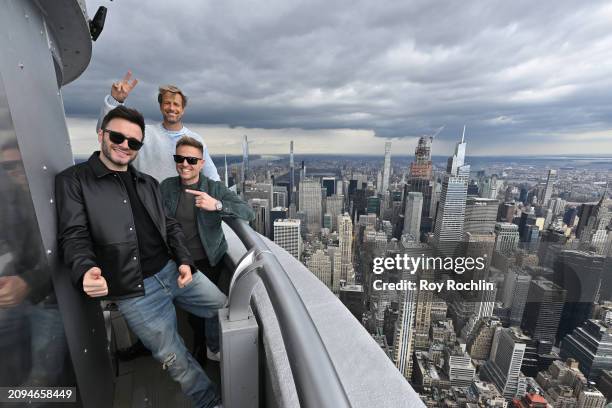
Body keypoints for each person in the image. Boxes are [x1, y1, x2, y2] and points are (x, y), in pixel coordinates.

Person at [56, 106, 224, 408]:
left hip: (174, 272)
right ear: (101, 134)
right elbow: (74, 234)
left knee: (224, 309)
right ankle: (210, 403)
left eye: (133, 142)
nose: (125, 145)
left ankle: (215, 350)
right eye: (118, 136)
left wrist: (184, 261)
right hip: (136, 291)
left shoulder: (147, 182)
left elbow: (169, 227)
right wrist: (86, 270)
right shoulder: (74, 181)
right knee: (175, 358)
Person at [160, 136, 254, 360]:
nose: (185, 164)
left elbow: (248, 213)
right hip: (176, 259)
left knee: (206, 309)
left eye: (192, 160)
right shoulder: (166, 187)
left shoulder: (213, 188)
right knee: (187, 310)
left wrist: (217, 205)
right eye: (180, 158)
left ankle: (206, 347)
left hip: (207, 259)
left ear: (201, 163)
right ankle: (199, 345)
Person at [96, 71, 220, 182]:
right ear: (161, 106)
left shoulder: (195, 139)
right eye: (167, 103)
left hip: (182, 206)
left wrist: (218, 203)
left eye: (176, 104)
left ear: (183, 110)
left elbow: (212, 177)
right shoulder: (144, 133)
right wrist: (115, 101)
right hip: (145, 203)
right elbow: (107, 132)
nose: (171, 108)